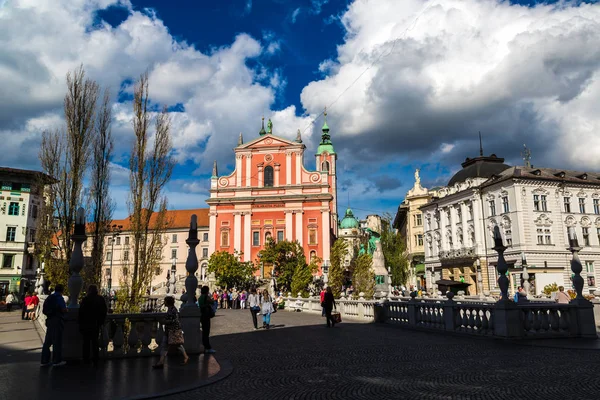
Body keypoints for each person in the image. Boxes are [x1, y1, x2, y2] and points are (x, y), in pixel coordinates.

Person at [153, 296, 189, 368]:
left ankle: (161, 362)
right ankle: (161, 361)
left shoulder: (172, 310)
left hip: (171, 331)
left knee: (167, 346)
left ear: (167, 302)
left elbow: (174, 320)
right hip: (171, 331)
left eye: (165, 301)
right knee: (175, 345)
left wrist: (164, 321)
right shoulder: (172, 309)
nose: (164, 302)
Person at [78, 285, 107, 365]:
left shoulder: (86, 299)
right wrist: (101, 321)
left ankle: (86, 359)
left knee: (86, 343)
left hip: (86, 324)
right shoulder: (100, 299)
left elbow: (81, 312)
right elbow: (104, 311)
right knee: (95, 342)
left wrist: (81, 323)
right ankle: (95, 358)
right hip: (96, 323)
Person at [41, 284, 68, 366]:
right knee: (57, 341)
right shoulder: (59, 298)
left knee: (47, 342)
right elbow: (63, 309)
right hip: (57, 320)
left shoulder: (50, 297)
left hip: (49, 320)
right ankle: (56, 360)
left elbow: (44, 310)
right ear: (62, 290)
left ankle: (44, 360)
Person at [198, 285, 216, 354]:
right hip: (206, 315)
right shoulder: (206, 297)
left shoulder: (200, 298)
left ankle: (205, 346)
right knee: (206, 332)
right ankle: (207, 347)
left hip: (202, 316)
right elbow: (212, 302)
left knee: (204, 332)